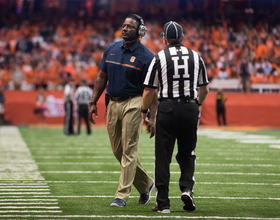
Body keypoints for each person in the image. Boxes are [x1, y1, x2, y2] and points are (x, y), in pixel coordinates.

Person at [141, 21, 209, 213]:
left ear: (164, 39)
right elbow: (204, 89)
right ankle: (187, 188)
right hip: (190, 107)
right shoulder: (196, 57)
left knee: (163, 157)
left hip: (167, 108)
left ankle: (163, 203)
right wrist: (198, 105)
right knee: (187, 153)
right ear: (182, 38)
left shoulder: (160, 57)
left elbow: (148, 90)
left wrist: (144, 110)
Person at [88, 14, 154, 207]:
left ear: (140, 31)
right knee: (118, 150)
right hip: (113, 103)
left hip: (134, 102)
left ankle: (121, 195)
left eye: (130, 27)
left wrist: (149, 113)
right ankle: (146, 184)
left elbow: (152, 90)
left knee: (129, 149)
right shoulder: (111, 49)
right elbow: (101, 77)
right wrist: (93, 101)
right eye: (124, 26)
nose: (125, 29)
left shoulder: (147, 57)